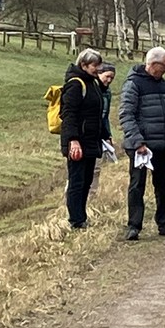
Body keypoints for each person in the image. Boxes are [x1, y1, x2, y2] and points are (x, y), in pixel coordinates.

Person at [119, 46, 165, 240]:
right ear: (153, 63)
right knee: (137, 186)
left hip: (162, 145)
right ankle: (134, 226)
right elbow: (126, 115)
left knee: (163, 185)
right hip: (141, 147)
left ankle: (164, 223)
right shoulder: (133, 84)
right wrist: (138, 142)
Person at [60, 49, 105, 229]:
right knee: (77, 181)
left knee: (86, 181)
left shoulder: (93, 83)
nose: (98, 69)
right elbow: (68, 114)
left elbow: (96, 113)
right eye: (95, 65)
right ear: (84, 65)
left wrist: (104, 135)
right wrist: (73, 140)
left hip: (91, 140)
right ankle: (75, 220)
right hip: (78, 142)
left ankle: (81, 216)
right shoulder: (75, 85)